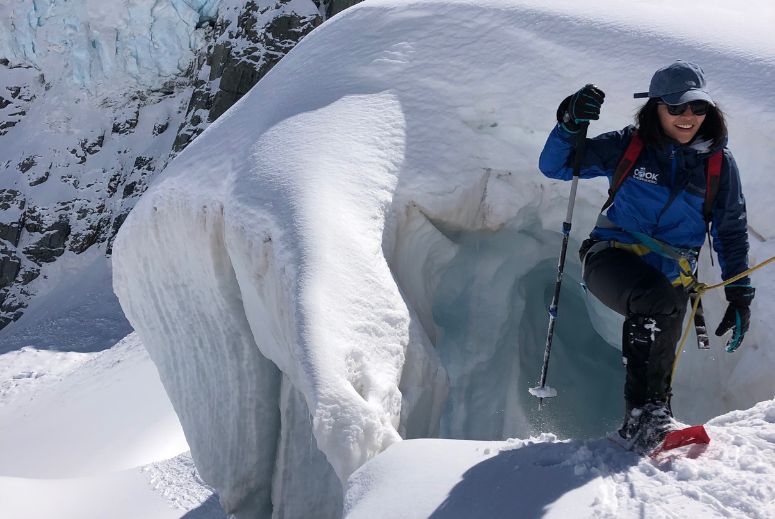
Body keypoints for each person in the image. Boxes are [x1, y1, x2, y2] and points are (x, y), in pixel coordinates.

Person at [538, 61, 755, 451]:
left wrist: (740, 294)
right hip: (609, 259)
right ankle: (645, 420)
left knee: (664, 311)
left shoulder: (719, 164)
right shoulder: (629, 145)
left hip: (670, 278)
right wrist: (569, 123)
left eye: (697, 108)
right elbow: (555, 166)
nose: (688, 117)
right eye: (676, 108)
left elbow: (731, 231)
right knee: (660, 301)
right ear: (655, 108)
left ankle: (654, 423)